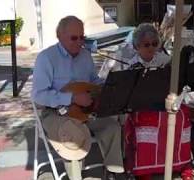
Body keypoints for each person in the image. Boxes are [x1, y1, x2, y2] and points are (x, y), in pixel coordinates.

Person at [31, 16, 124, 180]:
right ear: (59, 35)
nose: (79, 42)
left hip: (83, 112)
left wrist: (107, 85)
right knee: (73, 134)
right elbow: (39, 95)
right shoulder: (46, 58)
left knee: (112, 127)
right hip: (54, 114)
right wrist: (71, 98)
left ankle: (112, 172)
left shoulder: (85, 56)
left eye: (82, 37)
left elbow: (93, 82)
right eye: (74, 37)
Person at [103, 23, 192, 180]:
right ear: (137, 46)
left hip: (162, 103)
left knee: (182, 115)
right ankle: (145, 169)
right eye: (146, 44)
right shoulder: (131, 65)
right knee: (148, 121)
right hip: (140, 107)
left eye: (155, 44)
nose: (151, 48)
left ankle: (182, 164)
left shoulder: (165, 60)